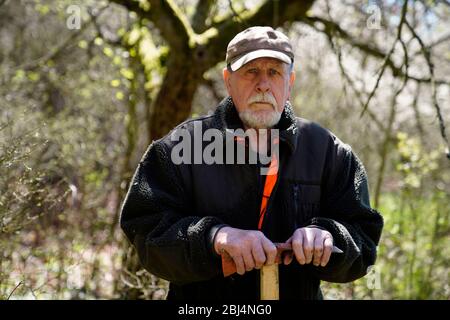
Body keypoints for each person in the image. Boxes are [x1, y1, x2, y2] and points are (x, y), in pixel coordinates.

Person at [120, 26, 384, 300]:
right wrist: (215, 237)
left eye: (274, 72)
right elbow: (146, 232)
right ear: (228, 81)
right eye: (251, 71)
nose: (263, 84)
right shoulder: (181, 147)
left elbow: (363, 239)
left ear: (289, 82)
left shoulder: (328, 152)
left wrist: (329, 236)